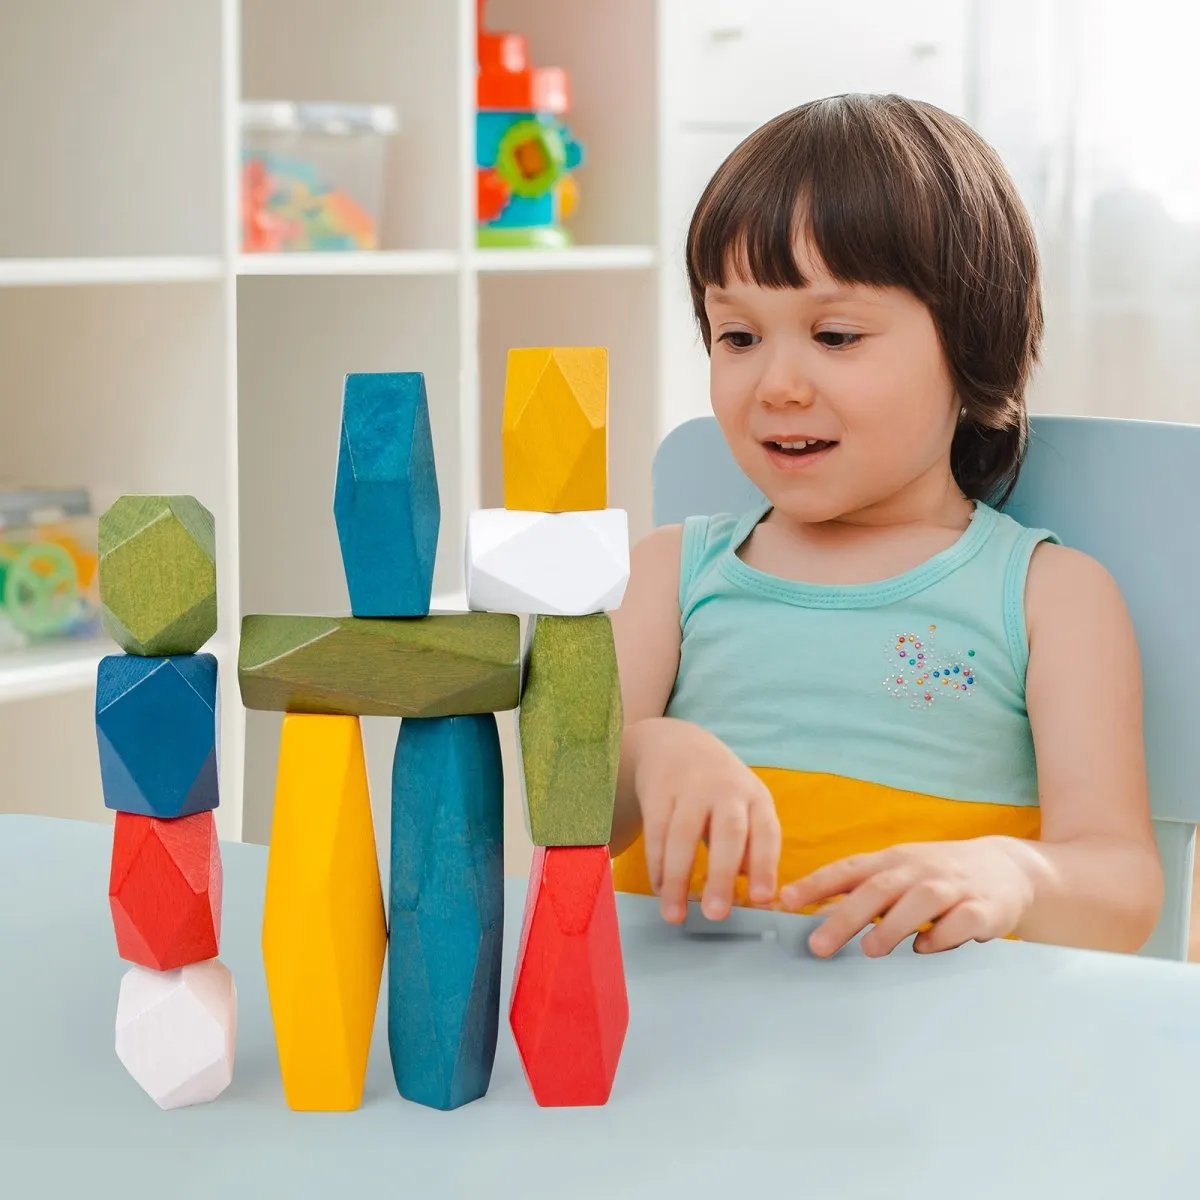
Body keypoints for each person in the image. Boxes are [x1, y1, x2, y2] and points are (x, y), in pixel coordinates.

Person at [608, 94, 1163, 957]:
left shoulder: (1050, 597)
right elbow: (553, 817)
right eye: (738, 336)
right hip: (668, 1050)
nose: (776, 384)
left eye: (834, 334)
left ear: (971, 347)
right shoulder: (666, 575)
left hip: (938, 1050)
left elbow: (1122, 889)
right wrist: (645, 758)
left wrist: (1011, 876)